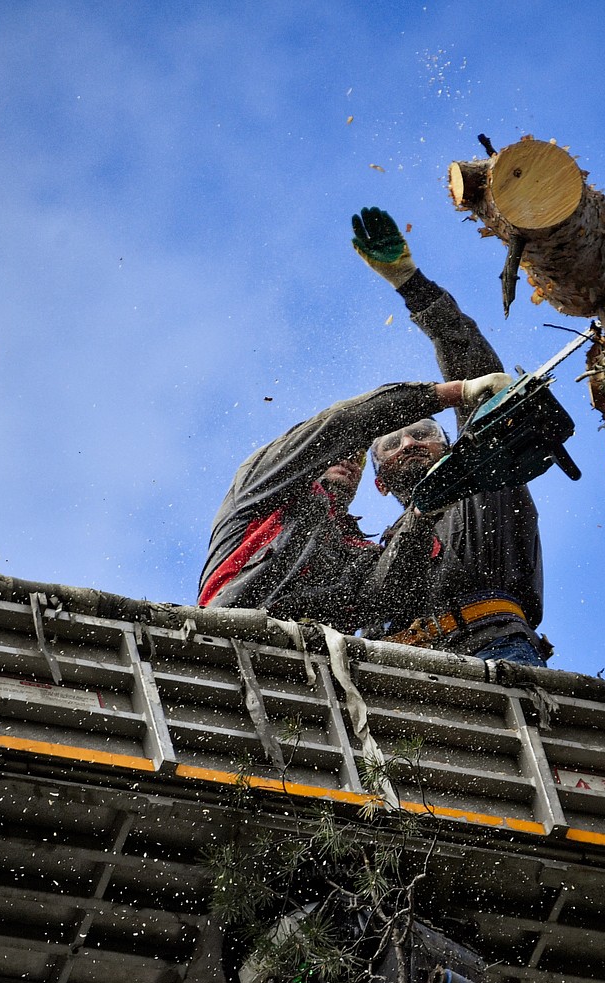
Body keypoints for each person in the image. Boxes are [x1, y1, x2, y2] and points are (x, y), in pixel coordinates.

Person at [351, 208, 549, 668]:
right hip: (403, 667)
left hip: (494, 646)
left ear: (448, 443)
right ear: (379, 482)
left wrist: (409, 283)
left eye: (422, 432)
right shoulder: (387, 544)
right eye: (392, 445)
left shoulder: (484, 478)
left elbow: (478, 379)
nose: (410, 443)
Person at [197, 375, 493, 628]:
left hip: (312, 667)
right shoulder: (263, 487)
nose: (349, 457)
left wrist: (420, 517)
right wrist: (454, 392)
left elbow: (380, 597)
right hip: (231, 628)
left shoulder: (357, 549)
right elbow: (337, 425)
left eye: (358, 456)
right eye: (342, 450)